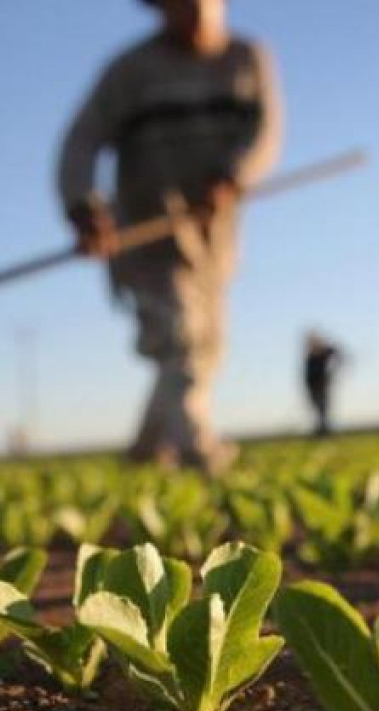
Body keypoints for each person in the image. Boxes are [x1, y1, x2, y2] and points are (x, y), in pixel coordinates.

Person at [58, 0, 283, 474]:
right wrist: (82, 206)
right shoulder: (130, 71)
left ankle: (144, 452)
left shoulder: (247, 58)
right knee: (179, 341)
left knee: (206, 347)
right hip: (147, 233)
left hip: (213, 237)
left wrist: (233, 176)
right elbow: (81, 141)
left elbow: (265, 130)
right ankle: (198, 452)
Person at [303, 331, 342, 437]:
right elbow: (307, 375)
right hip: (313, 386)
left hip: (322, 385)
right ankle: (321, 430)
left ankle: (324, 431)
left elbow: (337, 353)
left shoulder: (323, 351)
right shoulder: (310, 356)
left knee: (323, 408)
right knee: (318, 409)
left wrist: (333, 370)